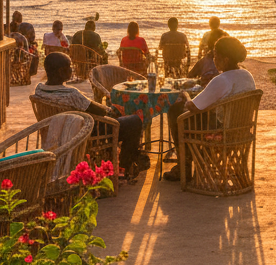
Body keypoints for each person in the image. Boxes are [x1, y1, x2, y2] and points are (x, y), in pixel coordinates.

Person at [35, 52, 147, 182]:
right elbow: (100, 111)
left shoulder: (40, 90)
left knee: (124, 120)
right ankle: (124, 167)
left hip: (55, 131)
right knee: (134, 122)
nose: (72, 69)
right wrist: (113, 109)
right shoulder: (71, 93)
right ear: (61, 72)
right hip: (83, 131)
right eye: (69, 67)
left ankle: (122, 160)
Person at [165, 36, 256, 181]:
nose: (213, 59)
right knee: (194, 117)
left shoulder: (222, 79)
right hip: (241, 130)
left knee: (176, 112)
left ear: (225, 59)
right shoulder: (247, 75)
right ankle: (192, 161)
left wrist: (186, 96)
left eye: (215, 56)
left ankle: (184, 166)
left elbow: (193, 106)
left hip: (222, 131)